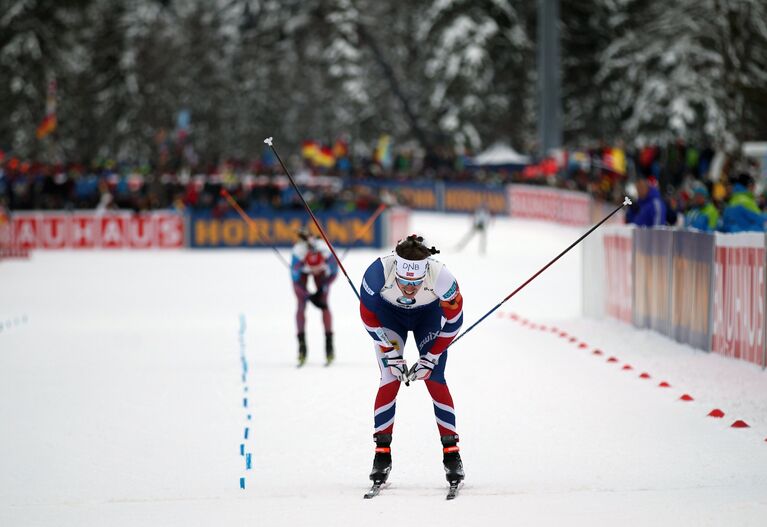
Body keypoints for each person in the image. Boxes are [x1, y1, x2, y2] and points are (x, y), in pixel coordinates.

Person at [358, 234, 465, 488]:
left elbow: (455, 322)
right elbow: (367, 317)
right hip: (389, 317)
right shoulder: (378, 272)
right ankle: (381, 454)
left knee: (434, 378)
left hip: (428, 316)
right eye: (404, 282)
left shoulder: (442, 277)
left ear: (425, 272)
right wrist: (389, 351)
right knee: (390, 377)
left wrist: (432, 356)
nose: (408, 289)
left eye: (415, 283)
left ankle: (452, 454)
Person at [290, 228, 338, 366]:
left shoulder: (327, 253)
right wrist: (308, 296)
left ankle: (329, 347)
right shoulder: (298, 256)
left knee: (324, 303)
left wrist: (323, 288)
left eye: (317, 267)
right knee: (301, 304)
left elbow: (334, 274)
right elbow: (296, 283)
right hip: (301, 273)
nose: (314, 270)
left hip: (322, 275)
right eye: (313, 268)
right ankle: (302, 348)